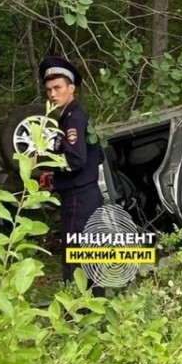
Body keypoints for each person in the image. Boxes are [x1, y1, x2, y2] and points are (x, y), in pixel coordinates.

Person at [37, 55, 106, 298]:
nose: (53, 94)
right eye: (49, 90)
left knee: (76, 254)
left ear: (71, 88)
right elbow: (95, 155)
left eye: (58, 88)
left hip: (79, 197)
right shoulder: (67, 118)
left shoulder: (73, 118)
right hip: (85, 194)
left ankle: (79, 309)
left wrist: (48, 166)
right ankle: (94, 303)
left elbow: (76, 159)